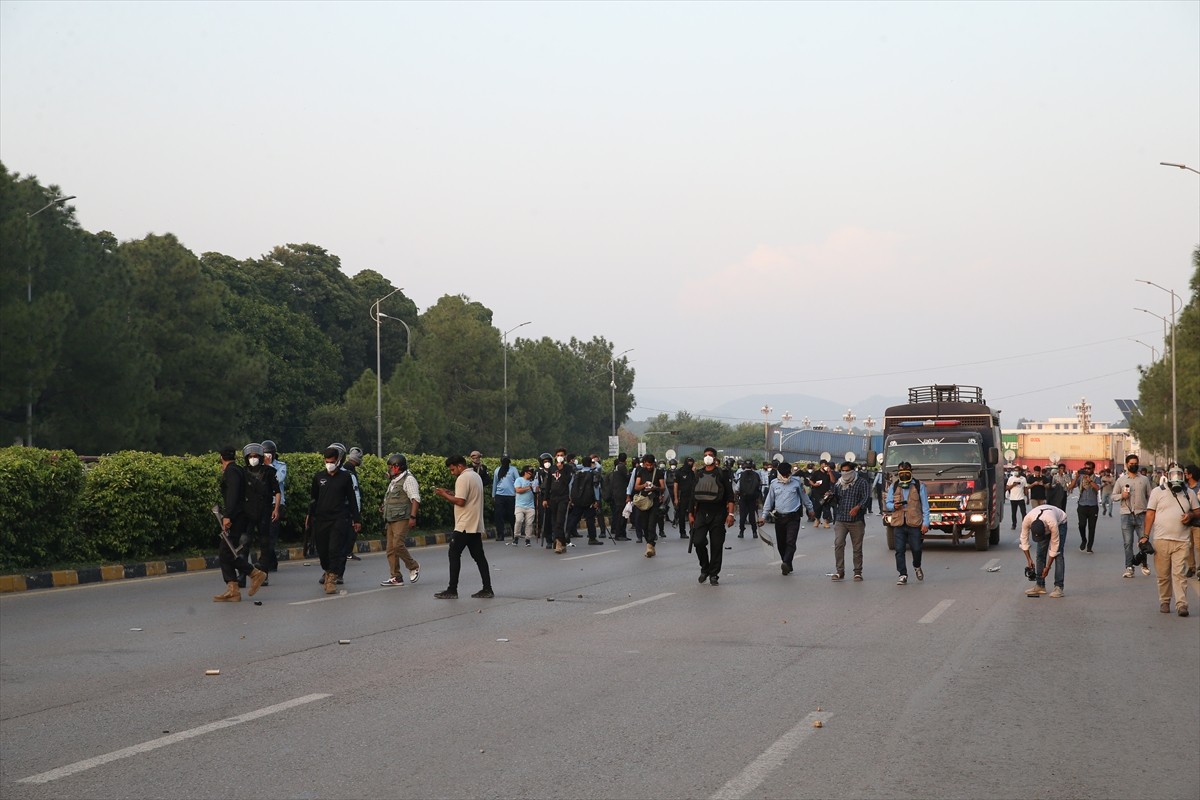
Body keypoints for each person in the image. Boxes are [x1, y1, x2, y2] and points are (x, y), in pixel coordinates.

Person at [1141, 465, 1199, 616]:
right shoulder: (1157, 492)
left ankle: (1182, 604)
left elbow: (1197, 511)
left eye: (1180, 474)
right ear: (1167, 475)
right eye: (1174, 474)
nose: (1177, 477)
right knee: (1163, 574)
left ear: (1184, 476)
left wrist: (1191, 515)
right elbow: (1150, 514)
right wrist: (1145, 536)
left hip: (1182, 541)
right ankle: (1165, 601)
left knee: (1179, 574)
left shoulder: (1189, 493)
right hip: (1161, 539)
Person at [433, 454, 494, 599]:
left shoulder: (463, 478)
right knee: (479, 557)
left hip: (464, 524)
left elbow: (460, 501)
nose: (451, 472)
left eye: (452, 469)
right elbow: (465, 497)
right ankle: (487, 588)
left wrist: (444, 495)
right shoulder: (475, 476)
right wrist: (452, 494)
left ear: (460, 466)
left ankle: (452, 589)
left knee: (454, 553)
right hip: (475, 524)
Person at [213, 447, 267, 602]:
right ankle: (233, 589)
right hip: (242, 516)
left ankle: (254, 574)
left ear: (221, 457)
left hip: (237, 518)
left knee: (225, 551)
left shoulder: (231, 472)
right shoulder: (238, 470)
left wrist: (227, 516)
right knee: (227, 552)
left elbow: (233, 494)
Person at [307, 446, 362, 595]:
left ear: (338, 461)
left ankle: (332, 578)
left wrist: (356, 519)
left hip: (339, 519)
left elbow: (352, 500)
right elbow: (314, 499)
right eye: (326, 461)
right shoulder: (318, 477)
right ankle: (327, 569)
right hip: (321, 519)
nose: (329, 464)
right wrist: (309, 516)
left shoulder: (345, 477)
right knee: (323, 551)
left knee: (334, 549)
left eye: (332, 461)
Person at [688, 447, 735, 584]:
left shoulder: (722, 474)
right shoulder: (698, 474)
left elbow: (730, 496)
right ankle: (705, 568)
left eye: (710, 455)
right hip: (701, 513)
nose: (707, 457)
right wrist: (690, 513)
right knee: (698, 541)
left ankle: (714, 574)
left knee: (716, 545)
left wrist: (730, 514)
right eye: (705, 455)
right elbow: (692, 496)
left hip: (718, 513)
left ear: (715, 458)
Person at [759, 461, 814, 575]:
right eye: (783, 475)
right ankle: (788, 563)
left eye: (787, 474)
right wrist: (763, 516)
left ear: (790, 473)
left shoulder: (797, 482)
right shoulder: (774, 484)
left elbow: (804, 497)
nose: (785, 477)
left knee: (790, 541)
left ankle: (786, 562)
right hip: (779, 517)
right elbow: (769, 500)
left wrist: (810, 509)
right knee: (781, 543)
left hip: (793, 517)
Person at [239, 442, 280, 587]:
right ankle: (242, 575)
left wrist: (276, 509)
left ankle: (264, 574)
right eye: (251, 456)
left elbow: (277, 492)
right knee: (244, 544)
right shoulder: (243, 472)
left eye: (256, 456)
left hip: (264, 512)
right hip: (248, 513)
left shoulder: (269, 472)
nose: (253, 458)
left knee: (265, 544)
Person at [379, 453, 421, 586]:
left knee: (398, 544)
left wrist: (413, 517)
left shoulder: (409, 479)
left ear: (398, 467)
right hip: (391, 518)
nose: (389, 469)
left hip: (402, 518)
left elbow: (415, 499)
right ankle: (396, 576)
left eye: (392, 467)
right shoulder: (394, 480)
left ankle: (413, 566)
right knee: (390, 549)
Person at [885, 461, 929, 585]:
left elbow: (925, 506)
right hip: (898, 523)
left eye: (906, 472)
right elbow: (888, 504)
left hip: (914, 523)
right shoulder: (894, 486)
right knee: (899, 550)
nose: (903, 474)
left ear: (911, 472)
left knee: (916, 548)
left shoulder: (919, 486)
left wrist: (926, 523)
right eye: (901, 472)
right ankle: (902, 574)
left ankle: (917, 565)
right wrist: (894, 506)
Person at [830, 462, 872, 581]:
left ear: (853, 471)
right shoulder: (839, 483)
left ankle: (857, 572)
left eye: (847, 471)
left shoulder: (861, 482)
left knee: (857, 547)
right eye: (842, 471)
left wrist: (858, 507)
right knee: (838, 543)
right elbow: (836, 499)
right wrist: (830, 497)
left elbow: (866, 498)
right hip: (841, 519)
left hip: (856, 520)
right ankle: (840, 571)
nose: (844, 473)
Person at [1114, 453, 1153, 579]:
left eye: (1136, 463)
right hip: (1126, 515)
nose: (1134, 466)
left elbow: (1151, 496)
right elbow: (1113, 496)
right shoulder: (1121, 480)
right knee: (1128, 542)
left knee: (1143, 542)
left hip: (1141, 514)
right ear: (1126, 465)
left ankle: (1144, 563)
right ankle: (1129, 567)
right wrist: (1122, 496)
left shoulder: (1144, 480)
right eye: (1131, 464)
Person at [1020, 503, 1068, 598]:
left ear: (1045, 530)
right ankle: (1040, 585)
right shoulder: (1027, 519)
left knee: (1058, 554)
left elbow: (1054, 548)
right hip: (1044, 517)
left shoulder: (1052, 523)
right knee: (1040, 554)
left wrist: (1047, 567)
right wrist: (1029, 560)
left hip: (1060, 522)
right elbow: (1024, 540)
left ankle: (1058, 587)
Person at [261, 439, 287, 572]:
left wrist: (268, 466)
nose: (267, 457)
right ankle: (272, 562)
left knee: (271, 535)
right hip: (263, 504)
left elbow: (278, 479)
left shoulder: (281, 466)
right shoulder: (259, 468)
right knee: (264, 535)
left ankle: (264, 563)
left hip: (276, 505)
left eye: (269, 454)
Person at [632, 454, 665, 557]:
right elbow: (636, 487)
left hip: (654, 501)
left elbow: (662, 487)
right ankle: (649, 544)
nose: (649, 467)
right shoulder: (640, 471)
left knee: (651, 524)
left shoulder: (658, 472)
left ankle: (650, 545)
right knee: (644, 525)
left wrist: (655, 487)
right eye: (647, 465)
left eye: (651, 465)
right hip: (643, 501)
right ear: (644, 463)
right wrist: (644, 485)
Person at [567, 455, 603, 545]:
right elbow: (596, 488)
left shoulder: (577, 473)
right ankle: (592, 538)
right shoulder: (594, 473)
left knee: (574, 518)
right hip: (589, 500)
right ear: (591, 463)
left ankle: (566, 535)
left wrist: (571, 498)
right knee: (590, 519)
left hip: (577, 500)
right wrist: (597, 500)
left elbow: (571, 485)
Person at [542, 448, 573, 554]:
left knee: (560, 521)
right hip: (553, 498)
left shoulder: (568, 468)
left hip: (563, 498)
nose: (560, 456)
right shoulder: (552, 468)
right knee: (554, 521)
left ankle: (558, 543)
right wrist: (545, 499)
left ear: (564, 457)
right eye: (558, 455)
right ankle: (562, 542)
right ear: (555, 456)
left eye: (562, 455)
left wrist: (561, 470)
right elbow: (548, 485)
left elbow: (566, 481)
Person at [1068, 460, 1101, 552]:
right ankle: (1084, 540)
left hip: (1093, 506)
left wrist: (1089, 480)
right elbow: (1070, 487)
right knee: (1081, 525)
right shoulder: (1081, 478)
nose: (1087, 470)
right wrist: (1076, 477)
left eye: (1089, 468)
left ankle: (1089, 546)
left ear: (1093, 469)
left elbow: (1097, 488)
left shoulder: (1096, 478)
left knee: (1092, 527)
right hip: (1082, 504)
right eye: (1085, 468)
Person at [341, 446, 364, 562]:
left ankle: (347, 552)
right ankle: (347, 552)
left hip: (346, 506)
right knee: (352, 530)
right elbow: (354, 494)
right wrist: (356, 511)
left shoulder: (347, 469)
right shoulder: (349, 471)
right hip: (349, 507)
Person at [492, 455, 518, 543]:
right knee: (499, 515)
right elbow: (495, 483)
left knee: (512, 515)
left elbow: (518, 481)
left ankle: (515, 534)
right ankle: (500, 535)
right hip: (499, 495)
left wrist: (517, 493)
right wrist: (493, 495)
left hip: (511, 496)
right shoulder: (497, 470)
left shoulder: (513, 470)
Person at [736, 459, 761, 539]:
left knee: (742, 516)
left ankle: (741, 532)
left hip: (743, 498)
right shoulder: (756, 475)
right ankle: (754, 532)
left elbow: (737, 488)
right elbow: (758, 487)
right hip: (753, 499)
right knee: (752, 516)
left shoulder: (741, 474)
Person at [513, 464, 537, 547]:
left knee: (529, 523)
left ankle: (528, 539)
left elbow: (537, 491)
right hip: (519, 506)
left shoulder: (533, 481)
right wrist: (529, 488)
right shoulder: (519, 480)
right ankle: (516, 536)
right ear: (524, 472)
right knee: (519, 520)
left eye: (531, 472)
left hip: (530, 506)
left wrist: (536, 488)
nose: (530, 474)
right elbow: (518, 490)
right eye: (529, 472)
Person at [673, 456, 697, 540]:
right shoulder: (679, 472)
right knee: (682, 515)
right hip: (682, 496)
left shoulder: (692, 472)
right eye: (689, 461)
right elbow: (675, 485)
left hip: (692, 496)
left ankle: (693, 531)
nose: (690, 463)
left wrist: (695, 472)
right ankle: (682, 532)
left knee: (693, 514)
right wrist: (676, 498)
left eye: (691, 462)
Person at [609, 453, 630, 541]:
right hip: (621, 494)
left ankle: (621, 533)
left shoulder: (616, 468)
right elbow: (627, 478)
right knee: (622, 514)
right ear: (625, 459)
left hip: (616, 493)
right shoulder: (622, 467)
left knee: (619, 514)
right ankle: (619, 534)